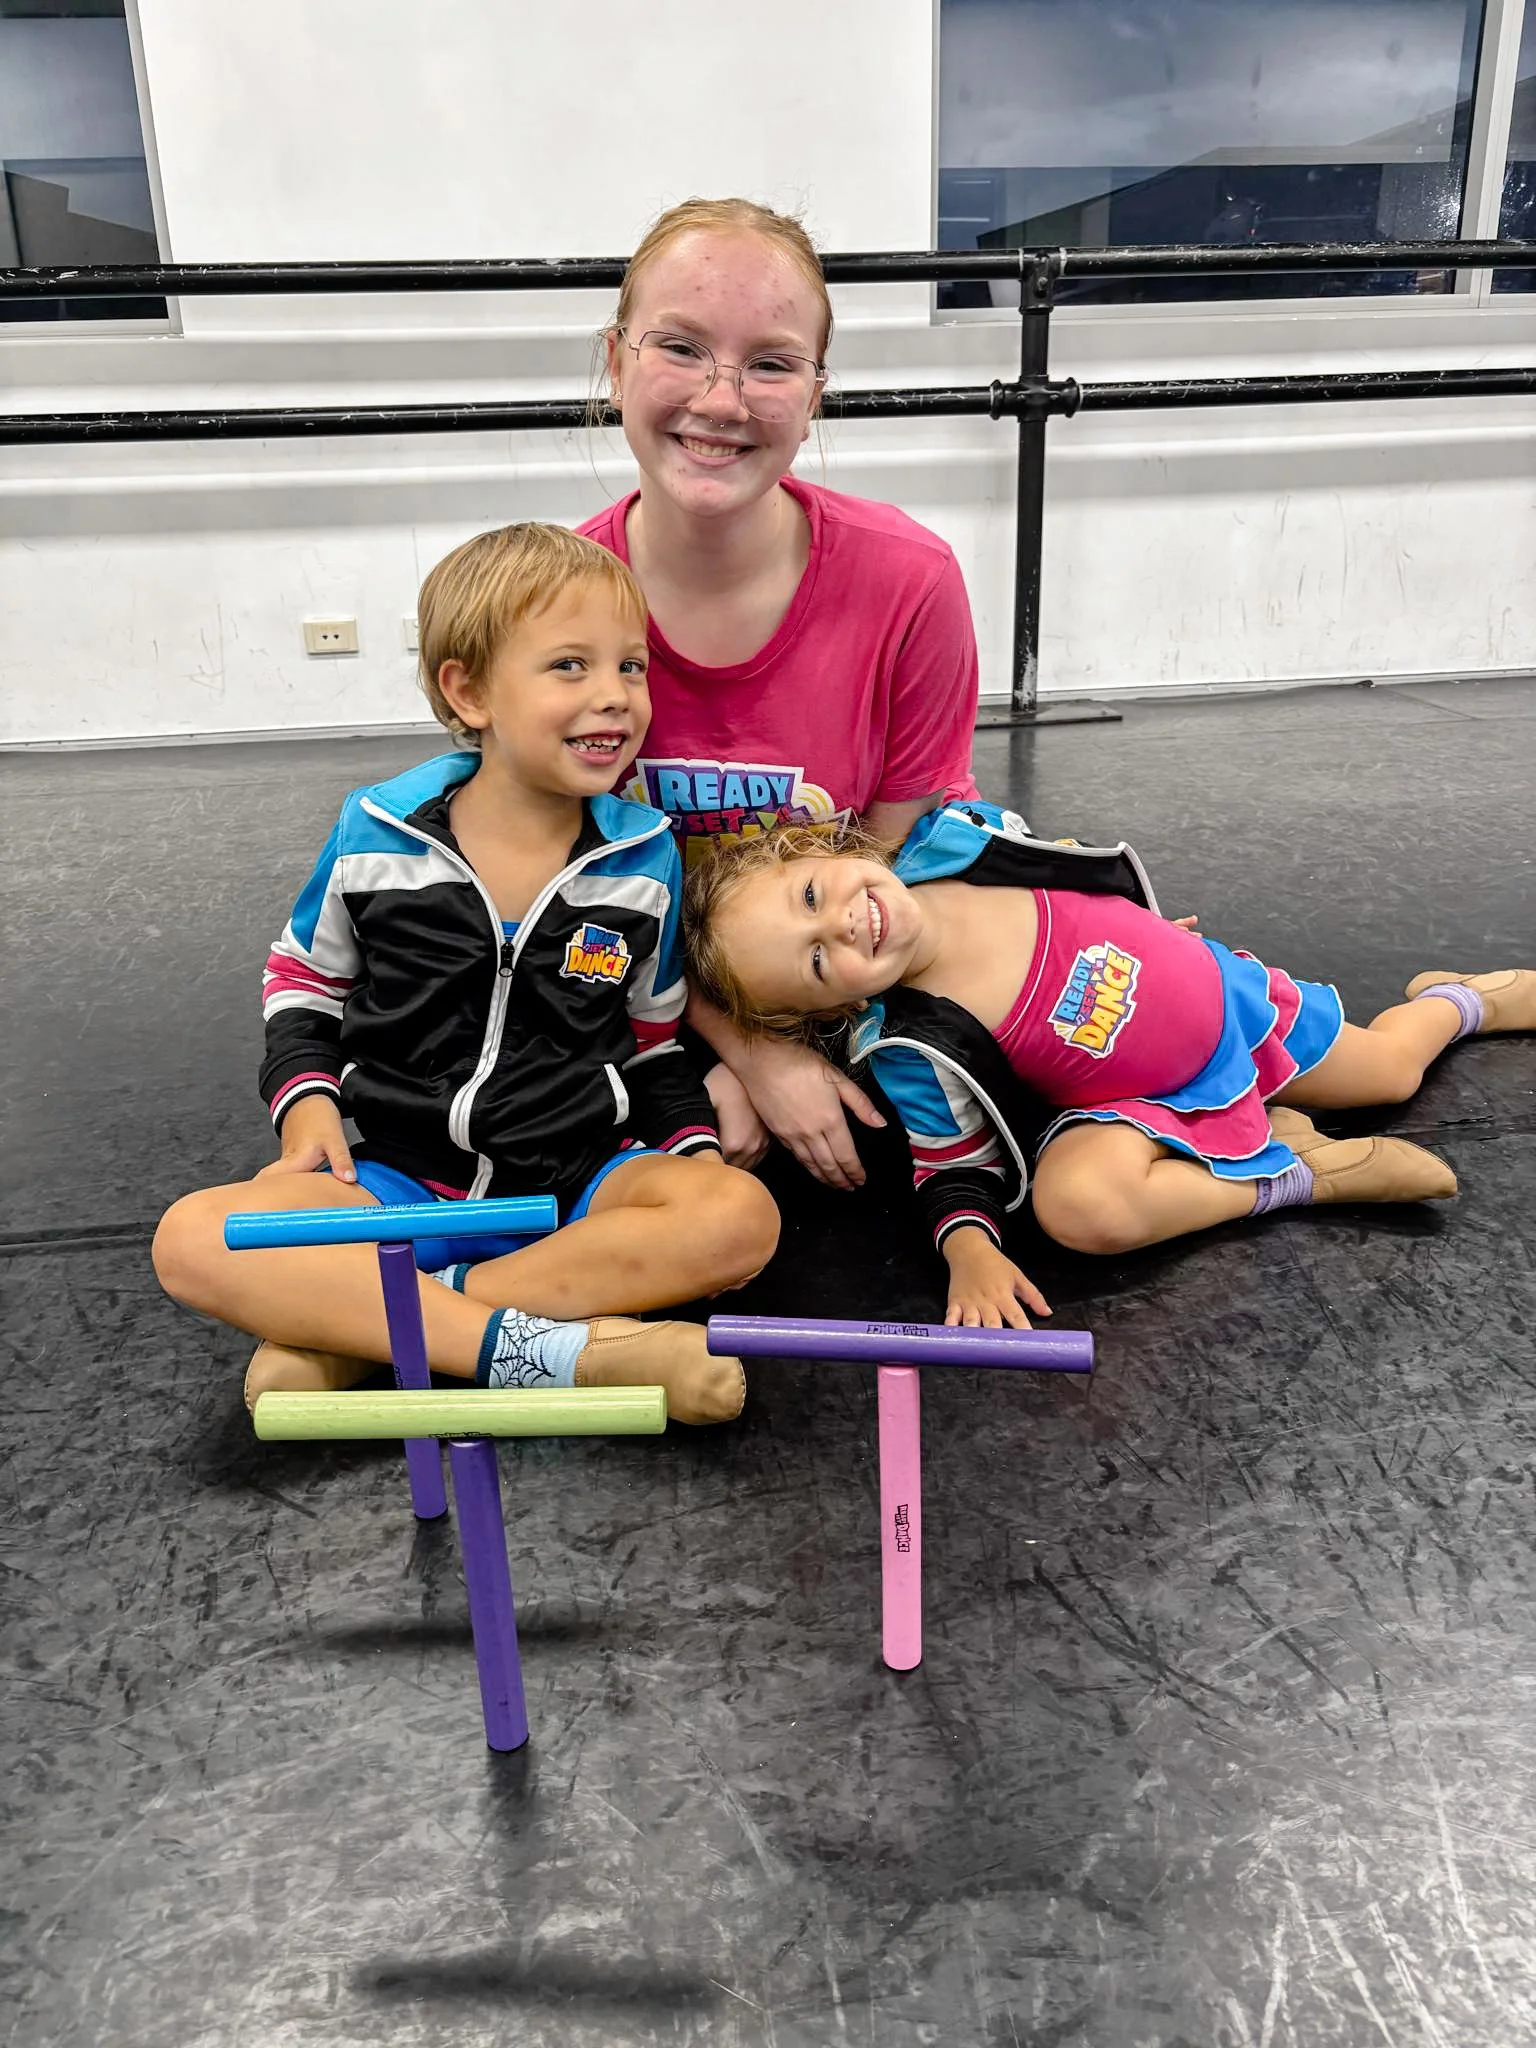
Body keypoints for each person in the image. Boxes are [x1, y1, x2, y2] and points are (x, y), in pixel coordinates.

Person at [152, 524, 780, 1423]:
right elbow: (303, 983)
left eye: (631, 668)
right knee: (192, 1238)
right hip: (398, 1184)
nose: (614, 698)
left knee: (739, 1216)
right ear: (469, 690)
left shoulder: (646, 859)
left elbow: (651, 1043)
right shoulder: (377, 833)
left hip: (573, 1189)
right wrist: (308, 1108)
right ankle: (554, 1352)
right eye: (570, 666)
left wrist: (692, 1152)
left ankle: (371, 1329)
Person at [684, 801, 1536, 1328]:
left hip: (1228, 1003)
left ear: (816, 851)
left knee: (1389, 1072)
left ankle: (1465, 1001)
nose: (842, 926)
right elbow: (952, 1163)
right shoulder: (913, 1040)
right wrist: (970, 1252)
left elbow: (1087, 881)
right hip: (1139, 1101)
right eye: (819, 963)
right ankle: (1302, 1176)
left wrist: (1154, 938)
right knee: (1079, 1210)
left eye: (809, 896)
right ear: (830, 1011)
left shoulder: (962, 844)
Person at [578, 196, 983, 1194]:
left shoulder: (909, 583)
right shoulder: (557, 608)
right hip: (644, 989)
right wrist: (729, 1055)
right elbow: (569, 896)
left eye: (770, 362)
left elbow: (884, 870)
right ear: (616, 361)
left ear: (815, 394)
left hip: (846, 967)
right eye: (680, 347)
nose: (722, 400)